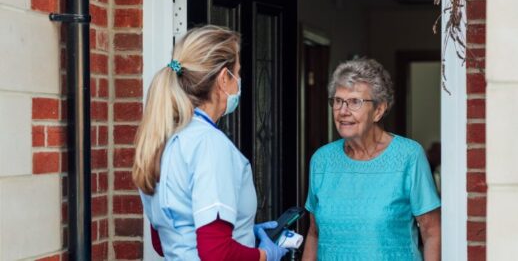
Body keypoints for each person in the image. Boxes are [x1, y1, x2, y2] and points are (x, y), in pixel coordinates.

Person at [132, 25, 287, 261]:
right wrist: (265, 255)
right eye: (238, 72)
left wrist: (244, 234)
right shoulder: (209, 145)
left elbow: (162, 242)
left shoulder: (161, 140)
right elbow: (216, 252)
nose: (240, 81)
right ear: (224, 78)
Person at [302, 58, 441, 260]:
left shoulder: (408, 156)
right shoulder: (322, 160)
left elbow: (432, 232)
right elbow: (314, 233)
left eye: (355, 102)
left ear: (379, 110)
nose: (342, 111)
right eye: (338, 101)